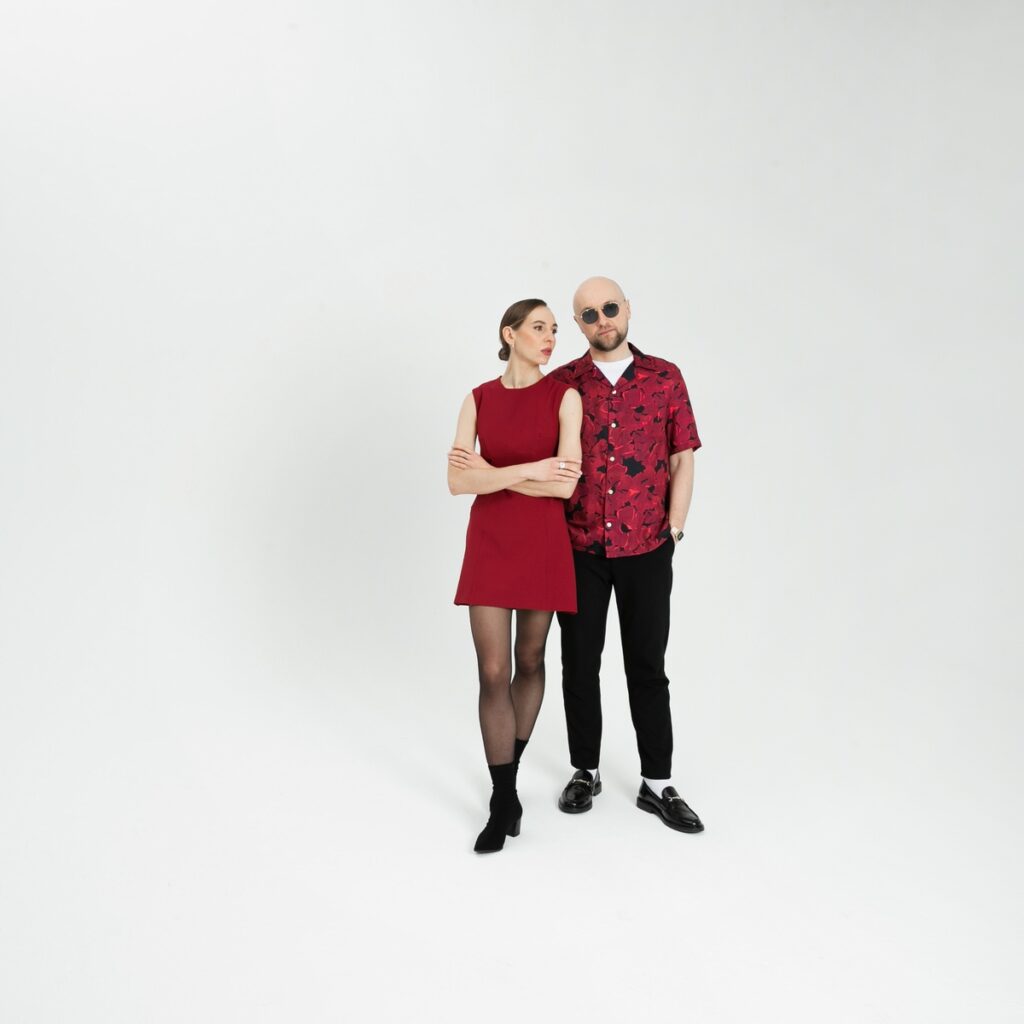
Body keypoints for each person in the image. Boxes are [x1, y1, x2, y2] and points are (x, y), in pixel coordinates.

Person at [547, 276, 705, 834]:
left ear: (628, 309)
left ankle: (657, 783)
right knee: (578, 665)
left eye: (609, 308)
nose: (602, 320)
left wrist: (675, 530)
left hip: (646, 546)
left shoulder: (665, 377)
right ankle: (584, 770)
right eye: (589, 314)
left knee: (647, 666)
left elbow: (682, 455)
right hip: (580, 547)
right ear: (579, 324)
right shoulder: (564, 384)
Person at [448, 299, 583, 853]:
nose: (550, 338)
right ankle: (503, 798)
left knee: (529, 661)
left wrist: (494, 473)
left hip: (542, 542)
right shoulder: (478, 398)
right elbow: (458, 482)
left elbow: (565, 485)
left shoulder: (564, 397)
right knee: (492, 670)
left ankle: (511, 774)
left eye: (554, 330)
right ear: (510, 334)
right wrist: (529, 470)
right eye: (538, 328)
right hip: (490, 542)